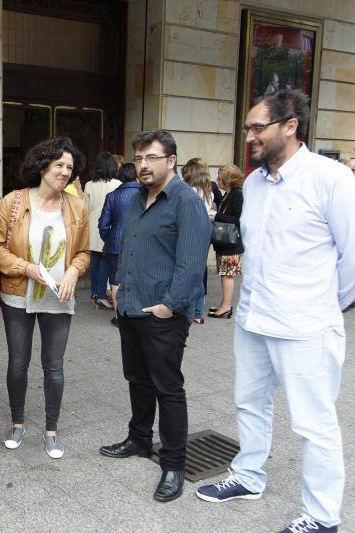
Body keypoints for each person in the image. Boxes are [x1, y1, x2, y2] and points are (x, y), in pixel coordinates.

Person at [195, 90, 355, 533]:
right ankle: (249, 476)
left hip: (307, 326)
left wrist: (324, 305)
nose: (249, 136)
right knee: (249, 403)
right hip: (254, 318)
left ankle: (322, 517)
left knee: (315, 423)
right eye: (248, 128)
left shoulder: (330, 178)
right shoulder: (253, 183)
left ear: (290, 126)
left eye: (258, 128)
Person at [99, 130, 211, 503]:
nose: (143, 165)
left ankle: (174, 464)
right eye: (139, 158)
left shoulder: (185, 202)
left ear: (171, 160)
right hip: (130, 308)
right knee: (137, 379)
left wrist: (169, 306)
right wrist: (117, 288)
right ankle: (139, 438)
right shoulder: (136, 200)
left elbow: (192, 264)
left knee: (168, 388)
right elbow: (129, 247)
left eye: (151, 158)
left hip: (162, 314)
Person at [0, 137, 90, 459]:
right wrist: (25, 267)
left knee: (54, 366)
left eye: (70, 168)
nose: (65, 172)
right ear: (43, 165)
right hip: (18, 295)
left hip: (58, 297)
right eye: (59, 165)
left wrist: (75, 271)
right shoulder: (14, 202)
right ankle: (17, 422)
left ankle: (51, 429)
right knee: (18, 363)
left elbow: (84, 252)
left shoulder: (76, 205)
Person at [98, 162, 140, 326]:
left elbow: (103, 224)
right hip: (139, 244)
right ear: (136, 175)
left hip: (114, 245)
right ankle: (135, 315)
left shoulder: (112, 196)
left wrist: (108, 238)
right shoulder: (145, 194)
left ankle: (119, 316)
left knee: (115, 281)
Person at [84, 152, 122, 308]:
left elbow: (85, 209)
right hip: (110, 228)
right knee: (106, 263)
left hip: (92, 228)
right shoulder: (117, 184)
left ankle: (95, 294)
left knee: (95, 263)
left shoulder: (89, 185)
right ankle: (100, 295)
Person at [208, 164, 245, 318]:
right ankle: (224, 305)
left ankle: (226, 307)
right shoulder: (227, 194)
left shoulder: (237, 195)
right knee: (224, 274)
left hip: (232, 244)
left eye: (220, 177)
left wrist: (217, 216)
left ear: (229, 179)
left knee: (227, 275)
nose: (218, 180)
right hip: (225, 243)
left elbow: (237, 219)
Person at [181, 157, 215, 324]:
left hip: (193, 232)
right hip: (205, 231)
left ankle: (192, 310)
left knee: (191, 271)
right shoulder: (209, 190)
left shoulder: (191, 191)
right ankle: (198, 312)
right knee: (200, 271)